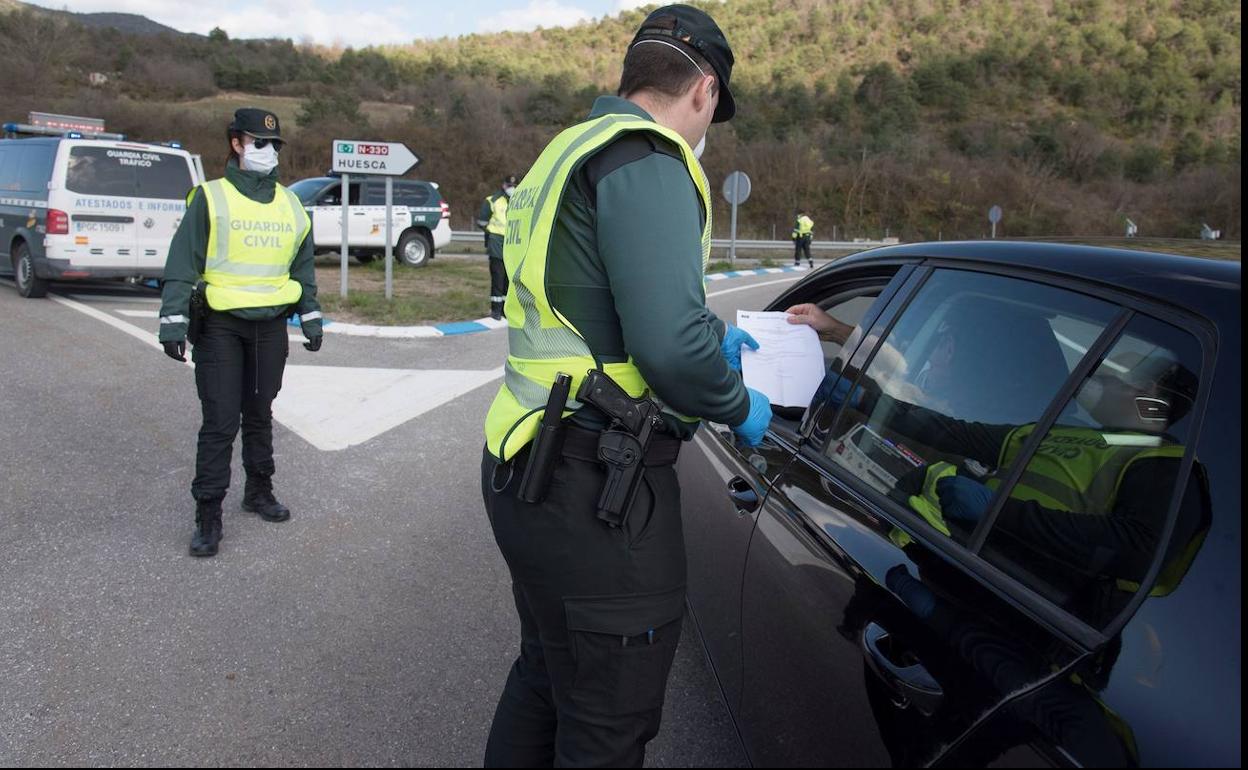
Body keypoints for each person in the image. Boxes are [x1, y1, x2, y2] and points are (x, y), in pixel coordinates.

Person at [478, 5, 770, 766]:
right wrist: (739, 403)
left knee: (545, 676)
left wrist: (709, 337)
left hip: (527, 459)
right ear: (704, 90)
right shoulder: (649, 158)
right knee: (607, 720)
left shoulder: (567, 150)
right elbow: (668, 348)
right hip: (594, 485)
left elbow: (597, 306)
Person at [158, 108, 322, 558]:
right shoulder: (210, 198)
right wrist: (172, 318)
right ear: (236, 143)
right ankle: (208, 514)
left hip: (270, 326)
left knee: (260, 412)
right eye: (258, 142)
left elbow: (302, 265)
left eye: (274, 144)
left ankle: (259, 490)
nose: (268, 151)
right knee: (220, 420)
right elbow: (182, 262)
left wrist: (311, 314)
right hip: (221, 326)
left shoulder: (292, 204)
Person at [477, 174, 517, 320]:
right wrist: (491, 234)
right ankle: (496, 310)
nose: (511, 189)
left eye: (514, 186)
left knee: (509, 278)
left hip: (512, 244)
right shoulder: (493, 200)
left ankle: (506, 310)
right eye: (509, 186)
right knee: (498, 277)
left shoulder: (518, 201)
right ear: (503, 185)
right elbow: (481, 222)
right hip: (496, 242)